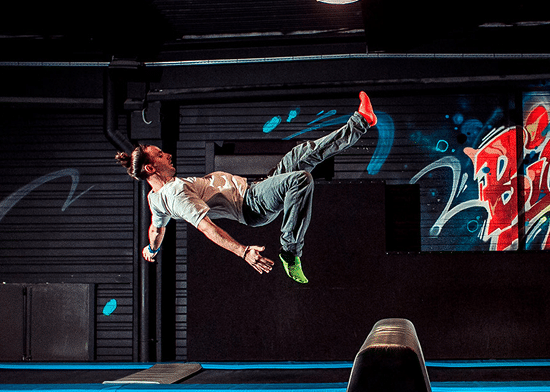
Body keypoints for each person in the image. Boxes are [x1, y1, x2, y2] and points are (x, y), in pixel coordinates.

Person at [115, 92, 378, 283]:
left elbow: (156, 228)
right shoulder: (175, 194)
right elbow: (208, 229)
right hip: (251, 205)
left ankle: (361, 121)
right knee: (300, 180)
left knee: (301, 154)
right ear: (151, 168)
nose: (168, 155)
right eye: (160, 155)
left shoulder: (156, 198)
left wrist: (152, 249)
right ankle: (290, 251)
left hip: (256, 189)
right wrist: (243, 252)